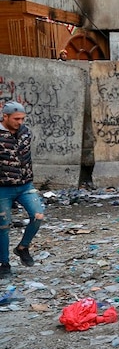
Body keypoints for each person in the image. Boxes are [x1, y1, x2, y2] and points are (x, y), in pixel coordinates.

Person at [0, 101, 45, 278]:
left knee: (38, 215)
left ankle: (22, 247)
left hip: (25, 185)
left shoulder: (25, 132)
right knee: (3, 226)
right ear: (5, 117)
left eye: (22, 118)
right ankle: (4, 263)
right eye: (16, 118)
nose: (20, 122)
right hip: (3, 188)